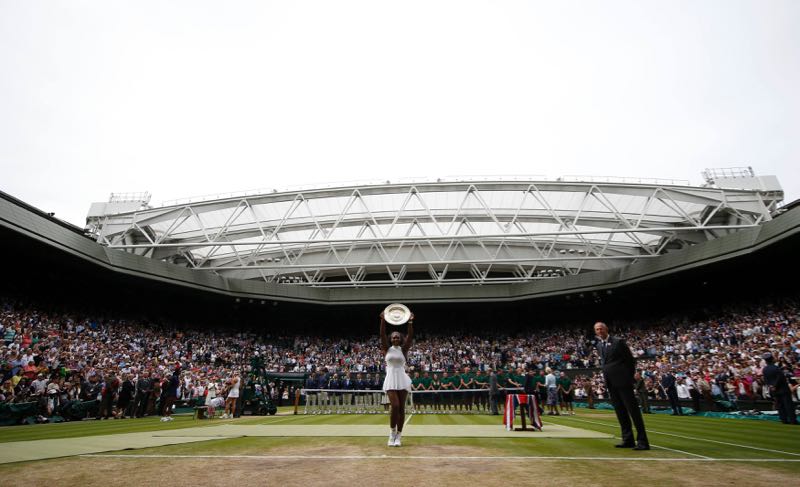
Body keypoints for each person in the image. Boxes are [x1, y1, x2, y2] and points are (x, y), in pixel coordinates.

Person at [594, 321, 649, 450]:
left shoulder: (618, 342)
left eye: (601, 328)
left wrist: (628, 377)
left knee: (633, 411)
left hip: (623, 381)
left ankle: (642, 441)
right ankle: (628, 439)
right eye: (597, 329)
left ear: (606, 329)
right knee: (620, 412)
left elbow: (630, 360)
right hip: (611, 383)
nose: (600, 331)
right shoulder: (599, 345)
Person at [379, 310, 414, 447]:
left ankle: (399, 436)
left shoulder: (404, 350)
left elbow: (410, 335)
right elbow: (382, 334)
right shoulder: (386, 349)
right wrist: (382, 320)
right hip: (390, 378)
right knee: (395, 405)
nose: (395, 339)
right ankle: (392, 433)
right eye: (393, 337)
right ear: (390, 339)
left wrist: (410, 321)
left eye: (397, 337)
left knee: (401, 409)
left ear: (400, 339)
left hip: (402, 378)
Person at [762, 353, 798, 425]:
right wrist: (774, 385)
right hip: (783, 389)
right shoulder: (776, 368)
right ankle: (792, 420)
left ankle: (784, 420)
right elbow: (780, 378)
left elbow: (766, 380)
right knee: (788, 405)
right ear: (772, 359)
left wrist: (771, 386)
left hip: (774, 390)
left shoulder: (765, 369)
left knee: (780, 405)